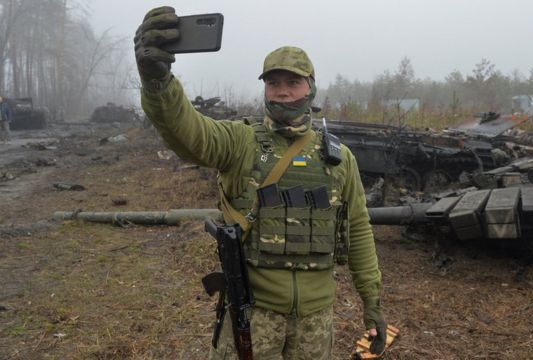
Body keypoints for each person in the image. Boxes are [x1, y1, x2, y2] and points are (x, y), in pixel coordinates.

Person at [135, 7, 386, 359]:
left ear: (311, 87)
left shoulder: (339, 158)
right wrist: (158, 82)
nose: (282, 92)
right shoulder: (241, 142)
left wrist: (371, 301)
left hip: (315, 320)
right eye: (273, 83)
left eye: (293, 82)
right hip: (255, 315)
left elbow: (357, 229)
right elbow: (187, 131)